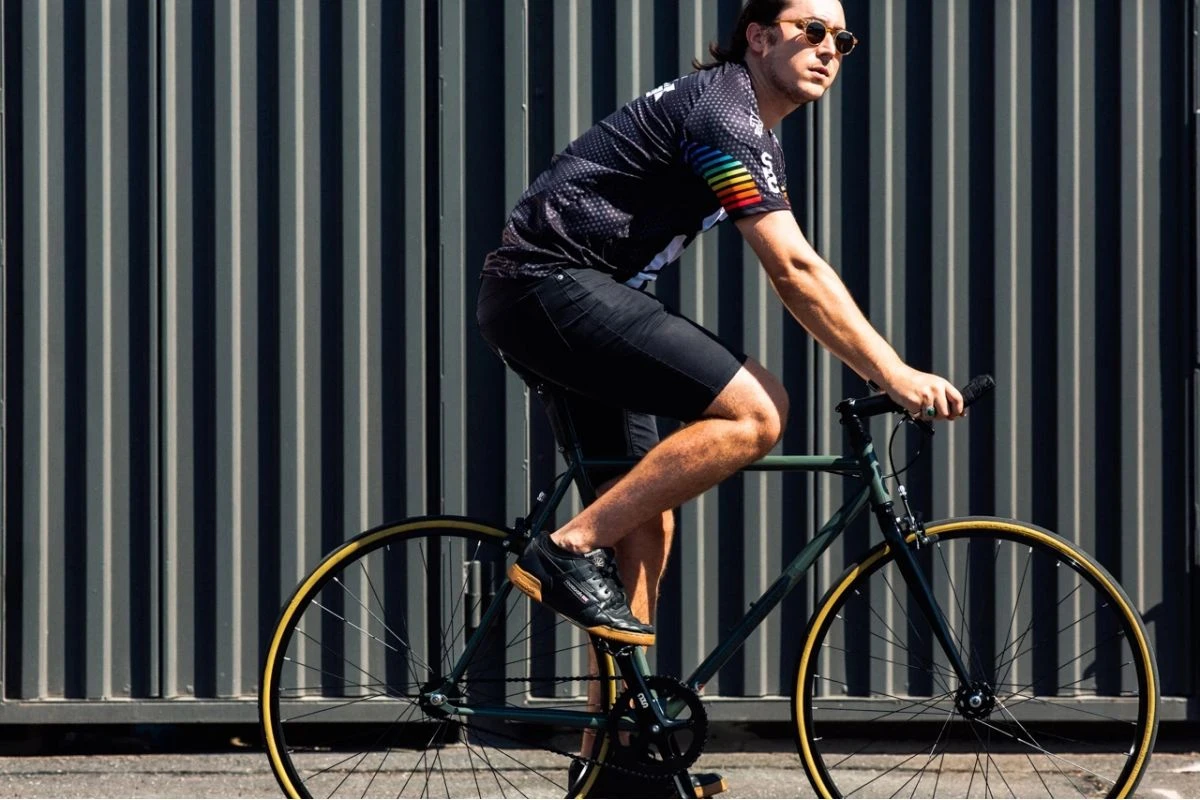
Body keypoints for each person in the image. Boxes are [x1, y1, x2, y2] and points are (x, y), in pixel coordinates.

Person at [477, 0, 964, 794]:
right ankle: (563, 550)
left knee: (645, 522)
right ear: (758, 36)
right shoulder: (725, 112)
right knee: (757, 411)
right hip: (548, 287)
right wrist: (893, 372)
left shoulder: (743, 123)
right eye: (811, 29)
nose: (829, 49)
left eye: (842, 39)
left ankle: (616, 767)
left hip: (561, 295)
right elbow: (793, 269)